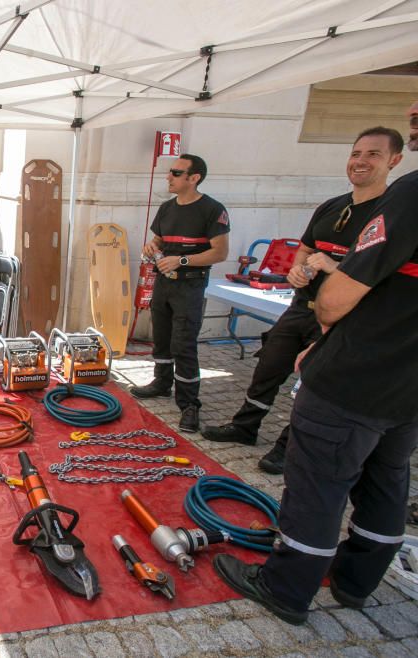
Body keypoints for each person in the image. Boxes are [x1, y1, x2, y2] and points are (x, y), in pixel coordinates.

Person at [214, 99, 418, 626]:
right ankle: (355, 583)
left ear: (393, 159)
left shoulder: (409, 197)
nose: (413, 108)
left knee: (319, 486)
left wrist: (328, 327)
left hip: (357, 377)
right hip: (406, 388)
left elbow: (333, 301)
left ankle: (287, 587)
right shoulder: (338, 205)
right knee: (387, 483)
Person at [202, 127, 405, 474]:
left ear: (395, 160)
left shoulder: (391, 214)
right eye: (356, 154)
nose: (360, 162)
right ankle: (245, 426)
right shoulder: (332, 207)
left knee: (308, 384)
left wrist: (336, 266)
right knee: (269, 367)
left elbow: (383, 274)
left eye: (373, 155)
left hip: (343, 319)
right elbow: (306, 248)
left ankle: (286, 447)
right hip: (301, 308)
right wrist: (297, 270)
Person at [130, 154, 230, 433]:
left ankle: (189, 404)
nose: (168, 177)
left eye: (175, 173)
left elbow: (220, 252)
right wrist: (152, 247)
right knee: (161, 337)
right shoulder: (166, 208)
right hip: (164, 283)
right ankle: (162, 383)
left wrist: (182, 260)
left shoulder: (212, 209)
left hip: (190, 285)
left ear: (194, 178)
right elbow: (159, 240)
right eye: (170, 173)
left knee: (183, 344)